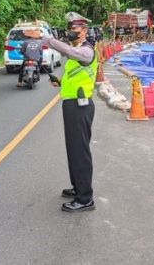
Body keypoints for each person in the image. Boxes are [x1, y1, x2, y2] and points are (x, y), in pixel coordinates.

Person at [24, 11, 98, 212]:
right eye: (70, 29)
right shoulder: (77, 51)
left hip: (80, 106)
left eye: (75, 28)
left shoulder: (86, 51)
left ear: (84, 30)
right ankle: (78, 188)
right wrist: (60, 81)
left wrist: (46, 39)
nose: (71, 32)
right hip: (71, 104)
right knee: (73, 150)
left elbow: (69, 52)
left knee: (80, 152)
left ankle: (85, 199)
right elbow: (75, 76)